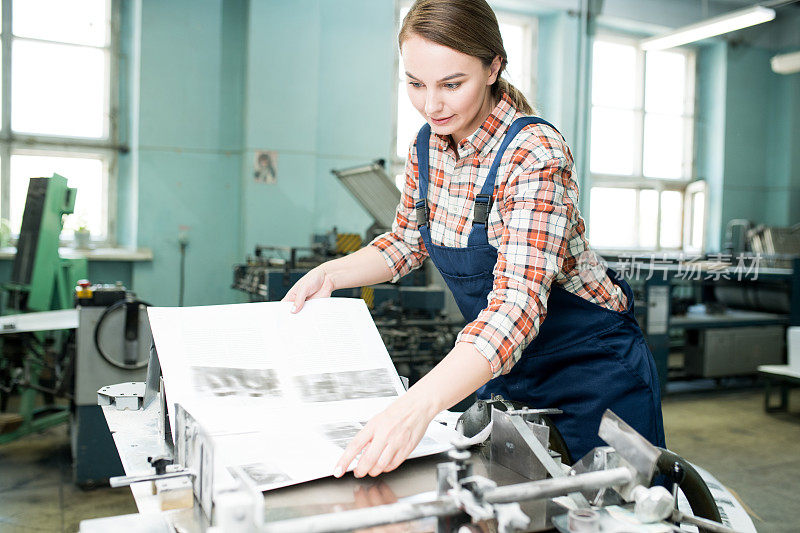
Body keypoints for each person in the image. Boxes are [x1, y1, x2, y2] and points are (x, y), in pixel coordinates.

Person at [284, 0, 665, 479]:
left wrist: (415, 406)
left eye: (451, 84)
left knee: (620, 509)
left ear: (493, 68)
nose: (431, 104)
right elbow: (406, 241)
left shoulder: (534, 153)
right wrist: (331, 274)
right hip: (506, 371)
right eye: (415, 83)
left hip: (594, 376)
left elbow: (517, 305)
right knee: (509, 505)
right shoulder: (427, 145)